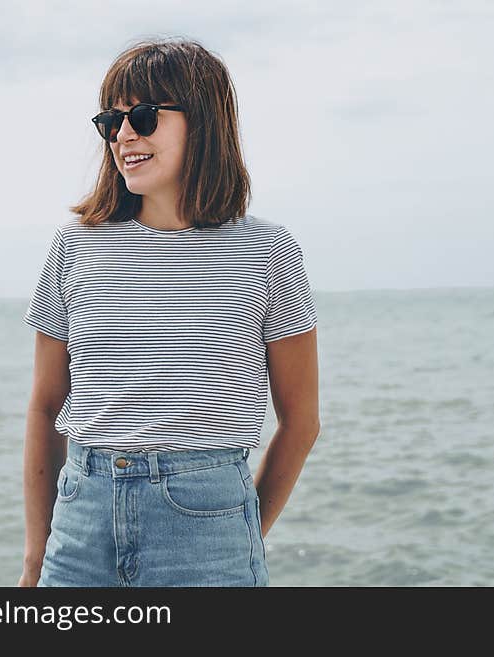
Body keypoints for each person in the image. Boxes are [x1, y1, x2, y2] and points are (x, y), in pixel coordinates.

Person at [17, 37, 320, 587]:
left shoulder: (267, 250)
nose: (124, 134)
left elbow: (301, 422)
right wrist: (36, 559)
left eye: (144, 115)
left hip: (210, 533)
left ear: (203, 122)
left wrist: (239, 532)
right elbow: (43, 408)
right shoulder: (75, 247)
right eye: (112, 120)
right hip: (79, 529)